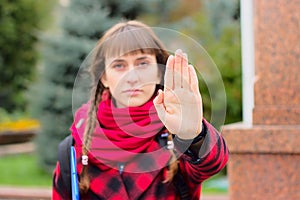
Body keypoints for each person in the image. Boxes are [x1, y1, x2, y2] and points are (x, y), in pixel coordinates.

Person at [52, 20, 228, 200]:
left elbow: (212, 164)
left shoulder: (175, 131)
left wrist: (194, 134)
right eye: (119, 65)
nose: (132, 77)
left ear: (159, 71)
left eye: (142, 63)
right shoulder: (74, 150)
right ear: (103, 77)